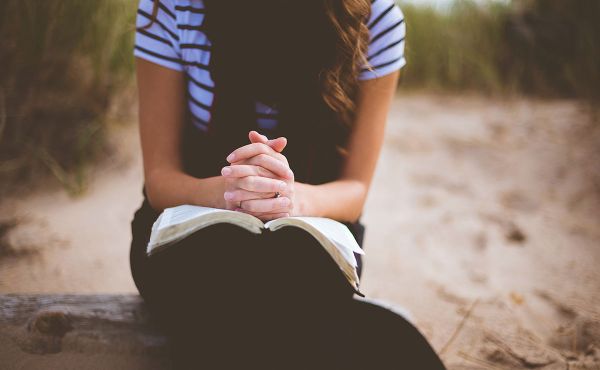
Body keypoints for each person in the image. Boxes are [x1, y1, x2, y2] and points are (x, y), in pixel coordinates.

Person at [129, 0, 446, 368]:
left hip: (314, 235)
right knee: (227, 280)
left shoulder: (376, 20)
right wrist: (232, 192)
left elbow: (355, 190)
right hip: (189, 230)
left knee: (289, 276)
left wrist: (291, 200)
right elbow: (160, 181)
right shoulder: (172, 7)